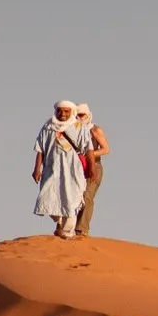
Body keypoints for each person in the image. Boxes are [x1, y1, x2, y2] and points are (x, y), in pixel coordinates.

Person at [32, 100, 91, 238]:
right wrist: (37, 169)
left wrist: (92, 167)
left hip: (73, 170)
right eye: (59, 111)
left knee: (73, 198)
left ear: (72, 112)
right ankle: (59, 222)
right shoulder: (48, 127)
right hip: (52, 168)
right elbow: (40, 149)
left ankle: (67, 231)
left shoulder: (79, 127)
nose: (62, 114)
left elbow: (88, 149)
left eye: (66, 111)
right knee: (48, 196)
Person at [72, 102, 109, 237]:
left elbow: (106, 149)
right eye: (76, 115)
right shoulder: (72, 130)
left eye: (81, 115)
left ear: (87, 115)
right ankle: (68, 228)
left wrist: (89, 154)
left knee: (87, 197)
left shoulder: (95, 130)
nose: (79, 118)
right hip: (77, 168)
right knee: (74, 198)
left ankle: (81, 230)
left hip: (94, 167)